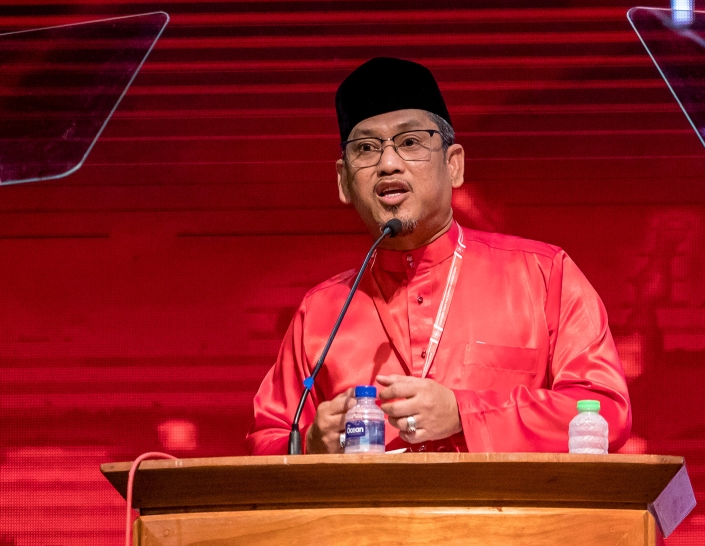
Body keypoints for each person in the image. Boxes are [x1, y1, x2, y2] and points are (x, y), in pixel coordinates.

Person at [245, 57, 630, 454]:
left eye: (410, 142)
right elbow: (267, 440)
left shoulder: (545, 276)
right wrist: (310, 444)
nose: (388, 164)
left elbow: (605, 414)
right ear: (344, 182)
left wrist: (465, 413)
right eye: (366, 149)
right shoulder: (322, 312)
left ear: (454, 165)